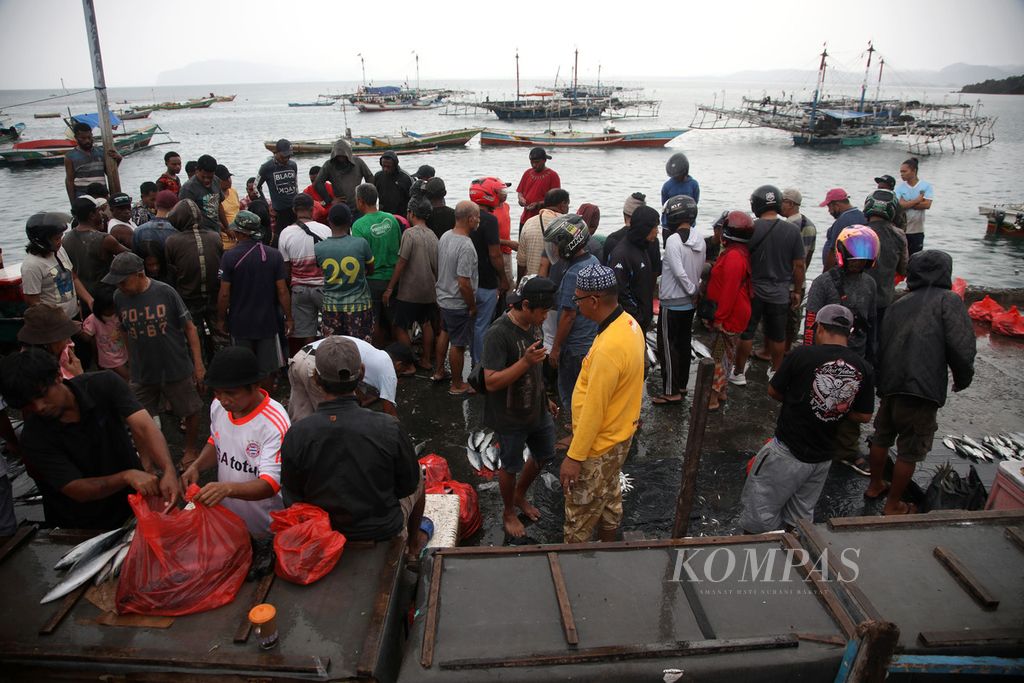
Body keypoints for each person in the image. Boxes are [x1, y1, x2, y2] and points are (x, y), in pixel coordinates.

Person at [0, 348, 180, 529]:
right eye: (29, 403)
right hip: (81, 526)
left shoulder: (103, 384)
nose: (39, 407)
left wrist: (168, 470)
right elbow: (76, 488)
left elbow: (143, 425)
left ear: (57, 376)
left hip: (133, 503)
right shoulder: (33, 437)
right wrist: (126, 476)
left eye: (42, 395)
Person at [280, 336, 425, 558]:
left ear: (316, 379)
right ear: (363, 372)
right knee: (420, 478)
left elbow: (291, 498)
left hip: (325, 529)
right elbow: (407, 485)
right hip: (380, 528)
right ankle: (413, 547)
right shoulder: (388, 427)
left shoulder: (296, 434)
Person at [738, 304, 875, 533]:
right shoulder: (863, 367)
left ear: (820, 327)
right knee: (800, 517)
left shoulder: (802, 354)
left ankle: (757, 559)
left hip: (787, 451)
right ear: (849, 332)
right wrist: (834, 407)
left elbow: (773, 391)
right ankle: (792, 559)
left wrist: (802, 400)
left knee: (759, 514)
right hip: (822, 458)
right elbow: (864, 415)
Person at [865, 250, 975, 514]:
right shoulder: (949, 300)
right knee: (910, 450)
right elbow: (961, 346)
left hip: (891, 384)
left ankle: (875, 485)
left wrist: (881, 381)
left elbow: (880, 345)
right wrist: (963, 378)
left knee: (881, 436)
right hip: (922, 390)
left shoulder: (899, 302)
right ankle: (893, 505)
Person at [559, 264, 644, 543]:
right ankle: (610, 551)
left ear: (593, 301)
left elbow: (594, 410)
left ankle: (576, 574)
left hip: (598, 445)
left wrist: (574, 457)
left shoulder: (608, 349)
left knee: (579, 516)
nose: (576, 304)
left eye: (578, 299)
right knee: (609, 497)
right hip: (620, 437)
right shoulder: (628, 324)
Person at [103, 251, 205, 467]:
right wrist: (130, 360)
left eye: (123, 281)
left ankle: (190, 449)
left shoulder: (165, 292)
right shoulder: (119, 297)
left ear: (140, 275)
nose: (120, 286)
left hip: (175, 364)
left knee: (190, 409)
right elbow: (123, 330)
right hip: (142, 371)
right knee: (137, 415)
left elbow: (189, 327)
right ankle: (147, 459)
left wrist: (198, 364)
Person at [180, 346, 288, 538]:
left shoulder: (274, 424)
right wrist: (196, 466)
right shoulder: (218, 406)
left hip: (264, 526)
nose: (223, 400)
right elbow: (216, 441)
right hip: (230, 519)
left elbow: (270, 484)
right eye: (217, 392)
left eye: (231, 393)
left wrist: (227, 488)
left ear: (255, 385)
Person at [481, 276, 559, 537]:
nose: (546, 317)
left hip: (536, 408)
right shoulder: (498, 333)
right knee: (510, 465)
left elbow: (535, 368)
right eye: (543, 311)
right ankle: (508, 511)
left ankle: (519, 494)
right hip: (509, 414)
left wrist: (545, 398)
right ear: (525, 305)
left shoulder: (534, 325)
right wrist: (525, 363)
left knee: (545, 454)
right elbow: (490, 381)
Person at [804, 226, 879, 472]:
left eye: (862, 261)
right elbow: (811, 321)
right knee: (817, 402)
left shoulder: (869, 284)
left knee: (849, 404)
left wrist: (872, 356)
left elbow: (872, 322)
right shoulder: (824, 283)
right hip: (824, 355)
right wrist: (808, 353)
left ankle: (846, 449)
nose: (857, 264)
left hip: (856, 353)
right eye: (853, 259)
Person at [734, 185, 806, 382]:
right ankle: (776, 371)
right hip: (780, 292)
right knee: (778, 335)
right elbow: (799, 265)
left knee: (747, 333)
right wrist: (797, 291)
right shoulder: (792, 231)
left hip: (752, 291)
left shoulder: (750, 228)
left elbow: (740, 259)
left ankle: (739, 373)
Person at [217, 211, 292, 388]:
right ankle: (264, 402)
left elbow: (224, 293)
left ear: (238, 232)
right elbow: (282, 290)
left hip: (240, 321)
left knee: (244, 367)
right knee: (267, 369)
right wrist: (289, 317)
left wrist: (221, 319)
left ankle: (249, 404)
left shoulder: (229, 256)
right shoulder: (274, 255)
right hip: (268, 320)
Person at [545, 214, 599, 424]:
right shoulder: (592, 260)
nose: (554, 250)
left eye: (556, 245)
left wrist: (556, 349)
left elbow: (568, 315)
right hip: (589, 337)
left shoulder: (572, 274)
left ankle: (577, 426)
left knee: (571, 389)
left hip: (574, 345)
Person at [287, 336, 413, 420]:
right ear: (399, 364)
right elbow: (389, 413)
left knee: (300, 415)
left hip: (300, 356)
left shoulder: (373, 353)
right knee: (330, 417)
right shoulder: (389, 370)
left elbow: (356, 391)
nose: (400, 374)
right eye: (402, 370)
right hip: (317, 364)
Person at [656, 195, 705, 404]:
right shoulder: (699, 238)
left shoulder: (673, 240)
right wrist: (695, 291)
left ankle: (670, 391)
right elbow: (698, 268)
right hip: (688, 305)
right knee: (683, 344)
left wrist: (692, 289)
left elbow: (678, 272)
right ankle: (682, 385)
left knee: (667, 347)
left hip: (672, 304)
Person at [164, 198, 224, 362]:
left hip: (188, 299)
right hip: (214, 296)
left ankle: (200, 373)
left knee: (194, 340)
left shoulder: (172, 242)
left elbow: (172, 273)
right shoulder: (215, 237)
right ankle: (223, 370)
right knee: (220, 337)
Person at [385, 196, 440, 372]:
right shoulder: (433, 236)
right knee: (426, 324)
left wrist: (390, 287)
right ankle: (425, 360)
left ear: (411, 213)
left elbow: (402, 262)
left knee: (399, 326)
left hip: (410, 291)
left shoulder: (409, 233)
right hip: (429, 290)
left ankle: (408, 363)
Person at [706, 211, 755, 411]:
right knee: (727, 352)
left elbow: (729, 290)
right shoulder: (739, 252)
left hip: (731, 314)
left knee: (719, 356)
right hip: (735, 312)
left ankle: (712, 397)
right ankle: (723, 389)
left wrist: (719, 318)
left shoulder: (734, 256)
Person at [433, 201, 479, 395]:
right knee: (458, 344)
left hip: (443, 296)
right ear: (469, 219)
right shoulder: (466, 246)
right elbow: (464, 282)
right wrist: (472, 306)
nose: (478, 221)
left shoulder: (445, 236)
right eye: (477, 217)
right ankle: (457, 383)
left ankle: (439, 371)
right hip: (457, 301)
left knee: (444, 332)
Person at [278, 194, 331, 354]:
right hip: (324, 288)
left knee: (307, 334)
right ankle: (328, 360)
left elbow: (286, 268)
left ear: (294, 210)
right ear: (312, 209)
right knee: (330, 330)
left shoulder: (285, 233)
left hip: (299, 289)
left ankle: (309, 363)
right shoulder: (325, 229)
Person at [315, 203, 376, 341]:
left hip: (331, 307)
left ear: (329, 222)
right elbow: (371, 269)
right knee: (360, 348)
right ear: (350, 221)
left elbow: (321, 271)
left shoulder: (319, 248)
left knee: (334, 350)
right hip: (359, 306)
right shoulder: (361, 244)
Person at [468, 177, 512, 361]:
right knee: (482, 325)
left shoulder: (464, 215)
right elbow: (495, 254)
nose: (502, 198)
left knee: (470, 324)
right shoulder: (489, 220)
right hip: (486, 280)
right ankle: (480, 367)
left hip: (466, 280)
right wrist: (503, 278)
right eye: (499, 194)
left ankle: (473, 360)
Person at [352, 184, 401, 346]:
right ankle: (398, 357)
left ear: (360, 201)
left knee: (374, 322)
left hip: (372, 280)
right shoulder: (392, 219)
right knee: (395, 321)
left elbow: (359, 257)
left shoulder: (358, 225)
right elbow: (400, 248)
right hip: (394, 279)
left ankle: (379, 354)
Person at [21, 211, 92, 318]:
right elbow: (33, 302)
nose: (60, 241)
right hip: (55, 324)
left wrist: (89, 300)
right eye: (56, 239)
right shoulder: (32, 266)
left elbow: (73, 277)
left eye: (60, 237)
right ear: (42, 241)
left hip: (74, 314)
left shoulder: (59, 250)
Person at [862, 190, 909, 334]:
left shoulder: (858, 232)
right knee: (878, 338)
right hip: (884, 298)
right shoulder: (899, 235)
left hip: (858, 297)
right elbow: (903, 269)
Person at [608, 205, 660, 332]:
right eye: (655, 227)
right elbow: (620, 292)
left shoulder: (643, 247)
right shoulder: (622, 254)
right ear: (645, 228)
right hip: (630, 323)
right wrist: (638, 316)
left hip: (643, 320)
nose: (657, 231)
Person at [63, 197, 126, 300]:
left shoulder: (65, 239)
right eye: (98, 211)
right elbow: (131, 256)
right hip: (107, 295)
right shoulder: (104, 239)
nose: (101, 214)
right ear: (92, 215)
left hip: (83, 296)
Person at [779, 188, 816, 352]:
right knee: (792, 322)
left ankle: (777, 352)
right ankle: (787, 349)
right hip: (799, 280)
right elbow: (808, 256)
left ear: (790, 204)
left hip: (787, 282)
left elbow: (789, 259)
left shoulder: (786, 227)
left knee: (780, 320)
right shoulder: (810, 225)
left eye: (782, 201)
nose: (780, 205)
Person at [17, 304, 84, 380]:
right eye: (65, 337)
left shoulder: (32, 354)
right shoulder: (39, 373)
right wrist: (79, 376)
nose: (70, 342)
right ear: (48, 342)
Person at [518, 188, 569, 280]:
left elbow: (521, 261)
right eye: (568, 204)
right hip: (555, 284)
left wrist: (519, 283)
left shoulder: (529, 222)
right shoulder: (567, 224)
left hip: (532, 284)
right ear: (563, 204)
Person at [312, 139, 374, 214]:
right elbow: (318, 183)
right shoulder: (329, 165)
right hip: (341, 207)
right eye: (339, 156)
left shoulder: (358, 162)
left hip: (358, 206)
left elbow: (370, 177)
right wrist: (329, 200)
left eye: (343, 156)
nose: (341, 159)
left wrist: (367, 197)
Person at [81, 286, 129, 381]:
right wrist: (79, 329)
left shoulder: (118, 314)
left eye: (114, 307)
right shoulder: (93, 319)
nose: (113, 310)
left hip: (121, 350)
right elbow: (86, 337)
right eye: (110, 308)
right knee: (127, 377)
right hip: (109, 357)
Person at [64, 121, 121, 202]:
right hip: (83, 196)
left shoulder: (101, 152)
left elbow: (109, 173)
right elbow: (69, 181)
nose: (87, 141)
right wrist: (73, 202)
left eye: (89, 137)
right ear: (76, 138)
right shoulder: (70, 157)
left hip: (101, 196)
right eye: (83, 138)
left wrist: (118, 160)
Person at [178, 154, 229, 237]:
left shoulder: (216, 181)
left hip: (215, 231)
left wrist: (227, 227)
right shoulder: (188, 189)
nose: (207, 180)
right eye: (203, 177)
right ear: (197, 171)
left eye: (210, 177)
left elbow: (219, 205)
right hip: (199, 234)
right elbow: (184, 216)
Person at [257, 139, 299, 238]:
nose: (286, 159)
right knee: (280, 237)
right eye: (284, 156)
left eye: (289, 156)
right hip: (279, 211)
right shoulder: (266, 167)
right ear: (276, 153)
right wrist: (266, 205)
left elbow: (295, 184)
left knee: (297, 234)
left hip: (294, 208)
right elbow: (256, 187)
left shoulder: (293, 165)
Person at [819, 188, 868, 270]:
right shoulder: (863, 216)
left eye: (829, 207)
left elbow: (833, 251)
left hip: (839, 272)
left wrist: (825, 274)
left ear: (836, 205)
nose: (829, 211)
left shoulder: (842, 221)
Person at [895, 157, 933, 255]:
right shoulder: (900, 188)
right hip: (902, 230)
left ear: (914, 171)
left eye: (904, 171)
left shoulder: (926, 186)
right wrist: (918, 200)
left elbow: (927, 204)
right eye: (901, 172)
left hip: (917, 230)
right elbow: (899, 206)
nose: (901, 174)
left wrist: (907, 203)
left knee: (915, 258)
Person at [602, 192, 650, 268]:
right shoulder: (651, 239)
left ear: (624, 214)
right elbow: (655, 271)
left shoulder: (612, 240)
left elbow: (606, 268)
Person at [516, 147, 560, 228]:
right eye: (531, 162)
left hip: (543, 221)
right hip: (525, 219)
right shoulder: (527, 173)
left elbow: (556, 200)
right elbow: (520, 192)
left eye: (537, 162)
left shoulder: (553, 175)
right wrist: (521, 199)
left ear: (544, 160)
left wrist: (538, 204)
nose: (534, 165)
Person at [660, 152, 700, 242]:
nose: (676, 178)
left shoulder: (693, 184)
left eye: (678, 175)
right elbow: (665, 205)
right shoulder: (667, 186)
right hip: (669, 226)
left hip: (688, 226)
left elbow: (695, 203)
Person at [133, 189, 178, 263]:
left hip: (147, 273)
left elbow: (136, 259)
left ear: (156, 205)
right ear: (174, 207)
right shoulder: (177, 231)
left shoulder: (138, 231)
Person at [373, 150, 413, 216]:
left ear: (395, 165)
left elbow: (413, 199)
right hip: (383, 214)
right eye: (383, 166)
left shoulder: (406, 178)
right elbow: (374, 196)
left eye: (388, 167)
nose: (385, 169)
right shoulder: (378, 176)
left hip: (402, 215)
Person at [218, 164, 242, 243]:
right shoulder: (215, 197)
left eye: (229, 177)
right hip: (225, 239)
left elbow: (238, 210)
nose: (229, 180)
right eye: (225, 179)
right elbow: (214, 220)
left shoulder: (233, 191)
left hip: (238, 237)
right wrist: (226, 230)